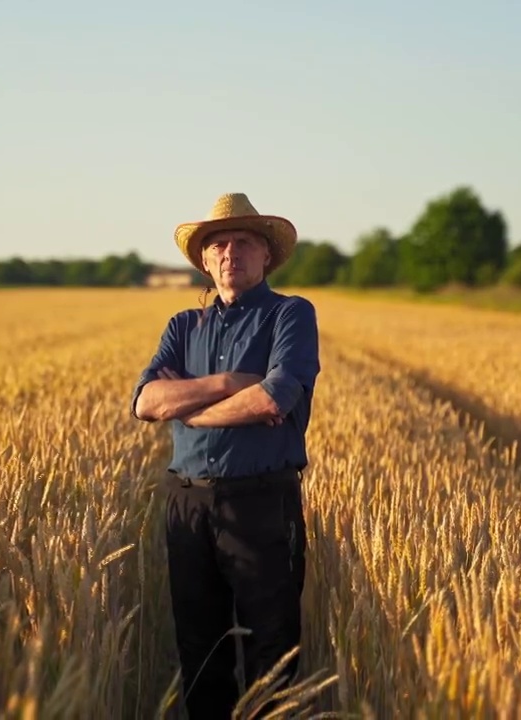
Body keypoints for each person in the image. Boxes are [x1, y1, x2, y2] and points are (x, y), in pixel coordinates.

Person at [130, 192, 321, 718]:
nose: (230, 252)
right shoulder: (181, 327)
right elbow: (147, 401)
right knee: (200, 647)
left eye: (243, 242)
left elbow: (273, 397)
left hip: (260, 501)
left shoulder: (290, 315)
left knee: (272, 647)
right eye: (218, 244)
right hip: (186, 503)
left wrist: (188, 408)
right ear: (206, 261)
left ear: (266, 256)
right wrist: (226, 383)